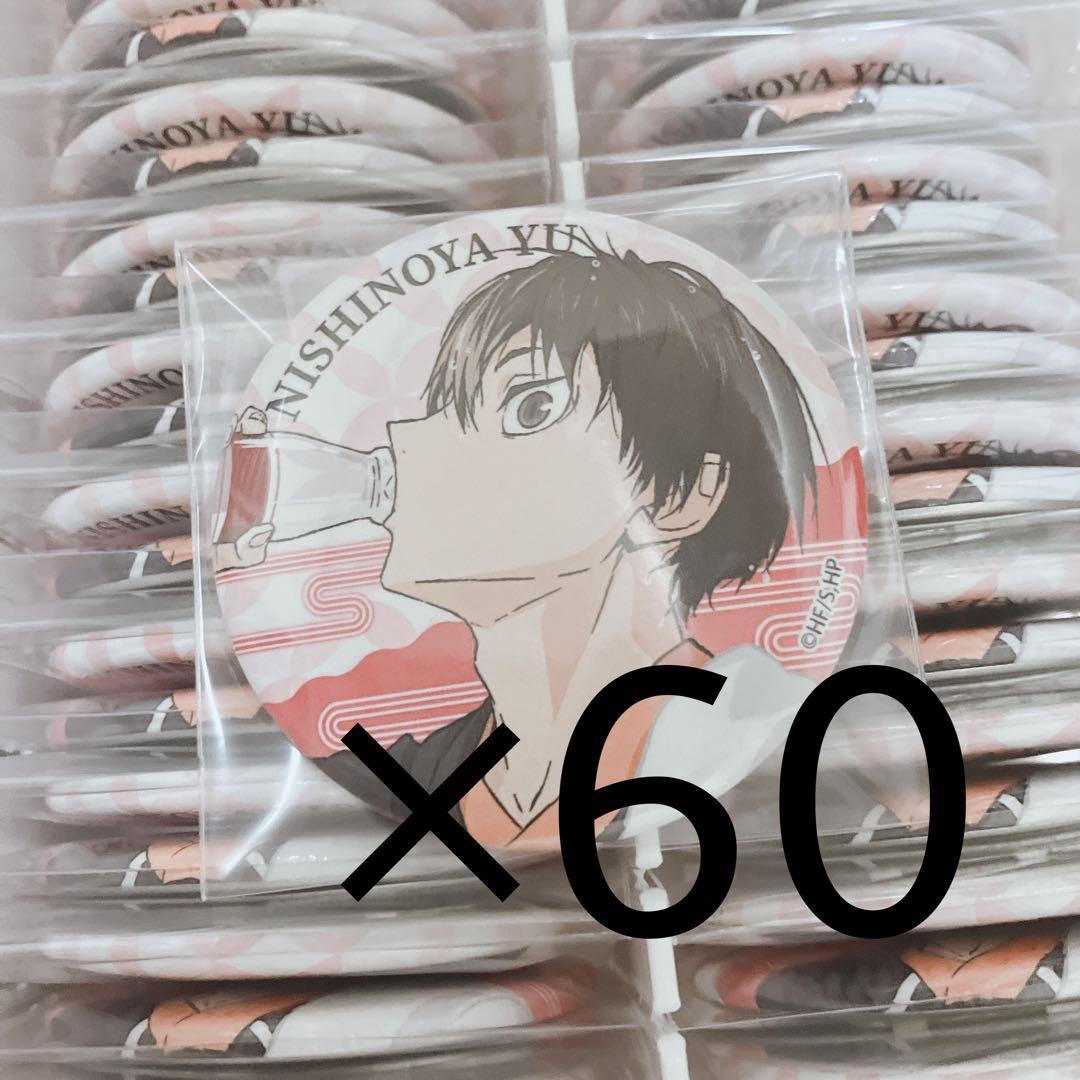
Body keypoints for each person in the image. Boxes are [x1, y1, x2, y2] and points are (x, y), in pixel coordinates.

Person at [219, 250, 822, 846]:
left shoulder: (760, 725)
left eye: (530, 406)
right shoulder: (398, 776)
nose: (409, 441)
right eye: (446, 409)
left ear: (684, 495)